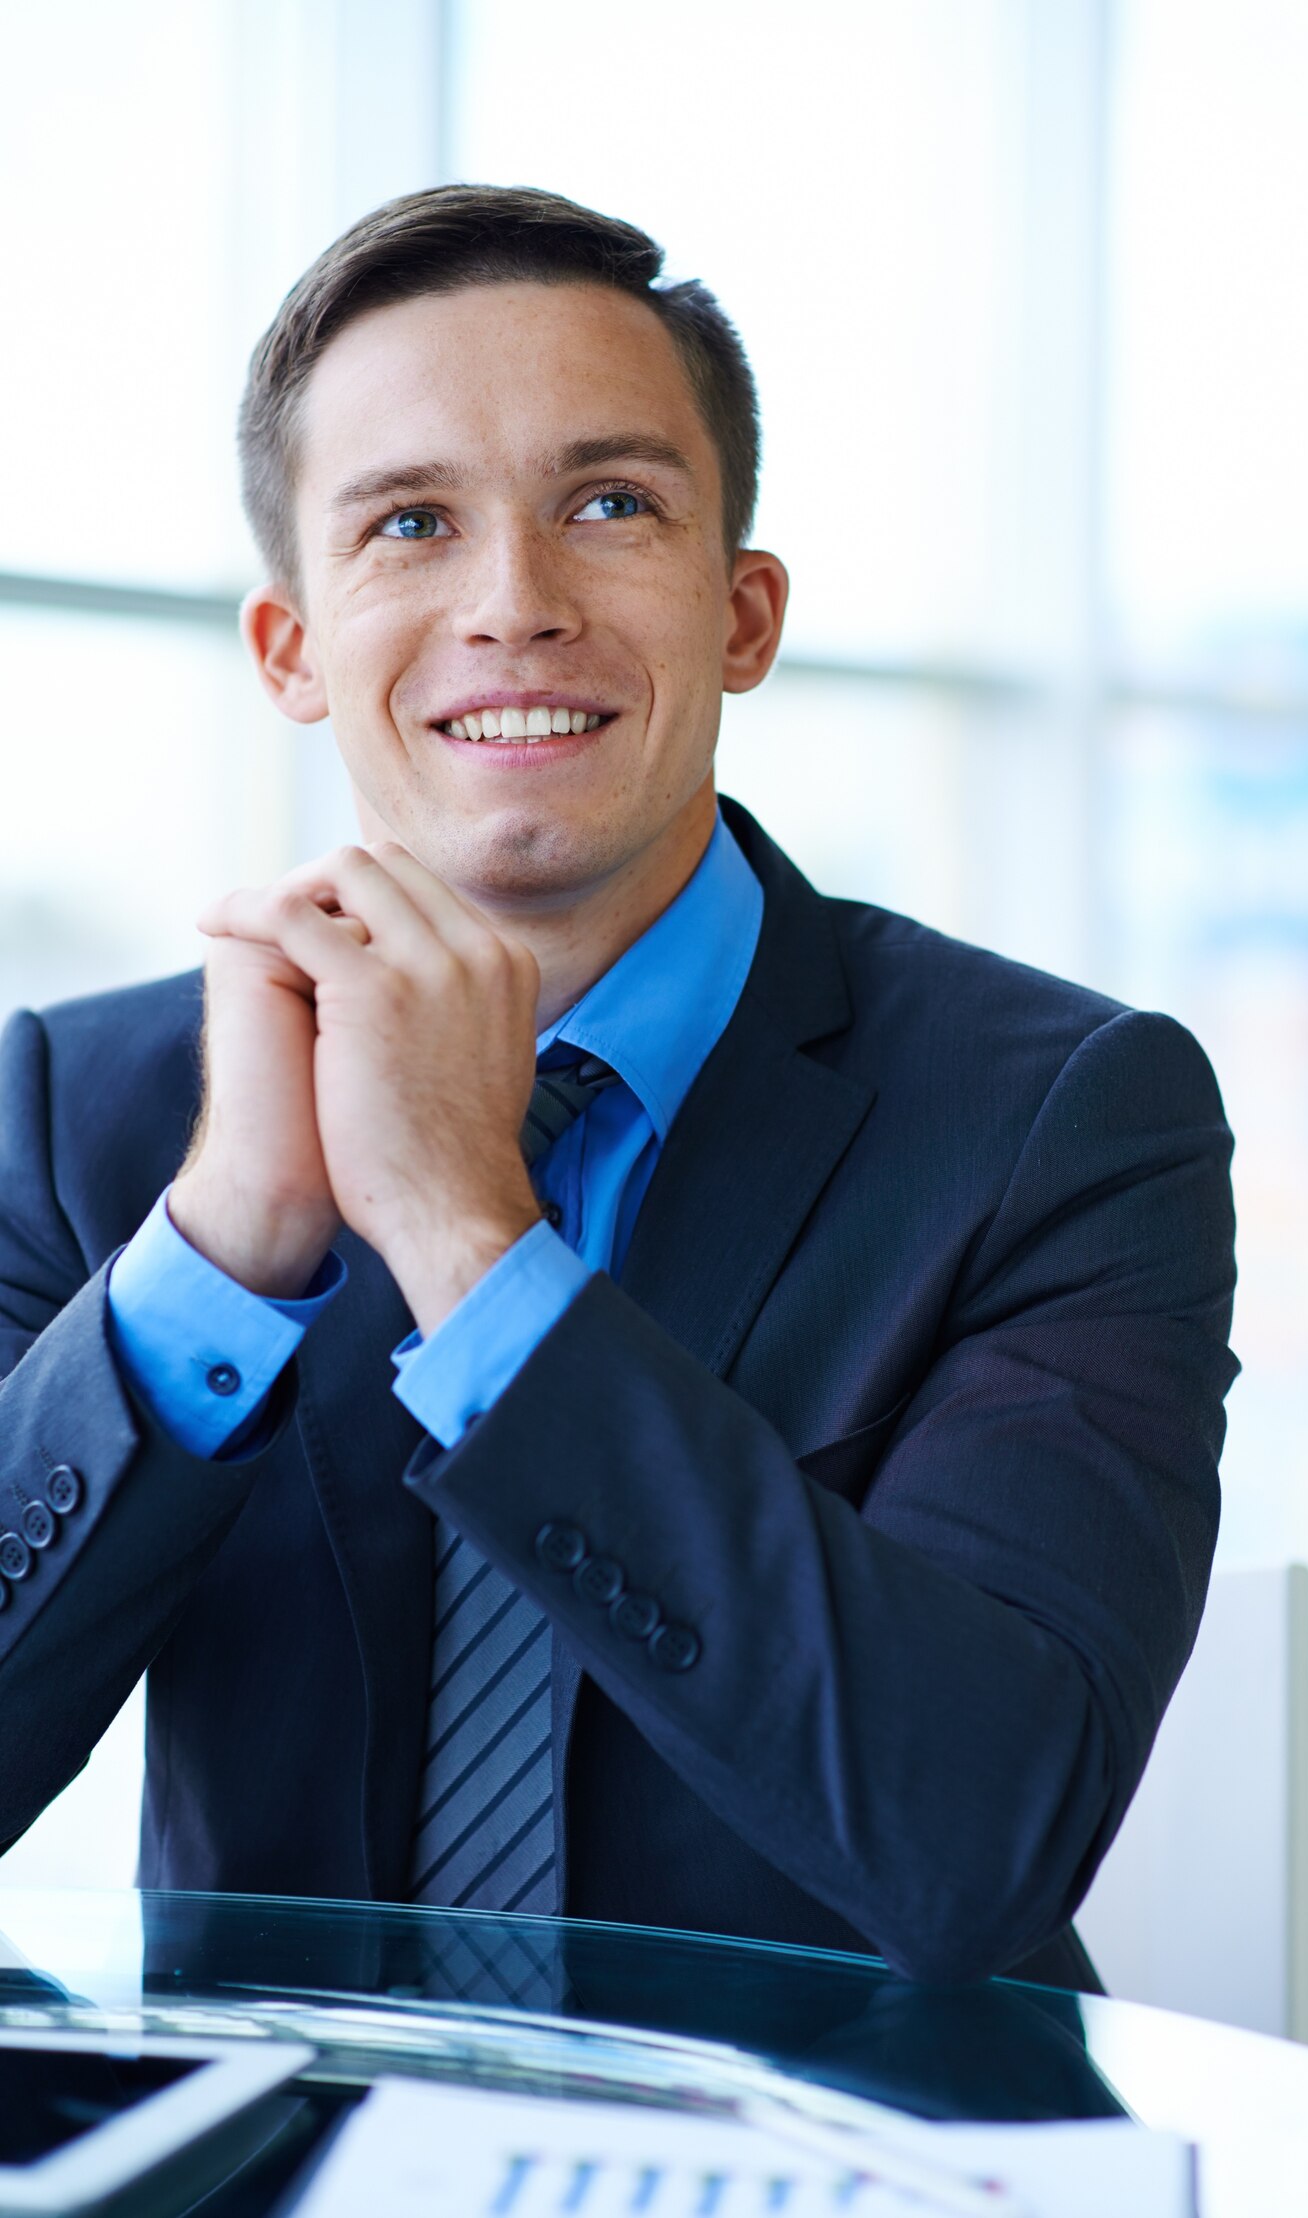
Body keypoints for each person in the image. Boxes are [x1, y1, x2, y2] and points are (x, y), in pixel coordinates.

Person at [0, 186, 1236, 1989]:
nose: (514, 604)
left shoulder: (1069, 1119)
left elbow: (977, 1840)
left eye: (610, 504)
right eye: (411, 522)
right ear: (289, 649)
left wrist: (467, 1236)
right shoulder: (83, 1110)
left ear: (742, 614)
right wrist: (221, 1256)